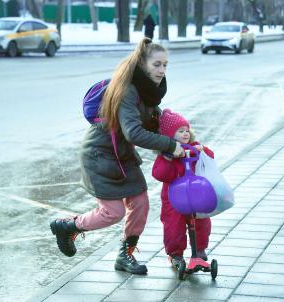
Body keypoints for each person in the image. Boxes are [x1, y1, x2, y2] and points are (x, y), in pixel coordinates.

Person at [49, 38, 185, 275]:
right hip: (99, 155)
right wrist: (169, 145)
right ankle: (68, 226)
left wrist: (185, 140)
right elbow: (134, 132)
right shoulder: (127, 91)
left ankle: (125, 255)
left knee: (141, 205)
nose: (162, 71)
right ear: (142, 65)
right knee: (112, 213)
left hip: (122, 156)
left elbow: (157, 123)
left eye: (165, 65)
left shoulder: (148, 92)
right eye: (156, 65)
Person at [152, 109, 213, 268]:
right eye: (180, 131)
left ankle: (199, 249)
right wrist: (168, 158)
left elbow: (210, 157)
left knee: (201, 221)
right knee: (173, 226)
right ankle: (175, 254)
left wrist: (203, 150)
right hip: (173, 198)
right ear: (169, 136)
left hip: (195, 195)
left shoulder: (193, 147)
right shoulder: (166, 154)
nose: (186, 133)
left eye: (187, 130)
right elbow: (159, 173)